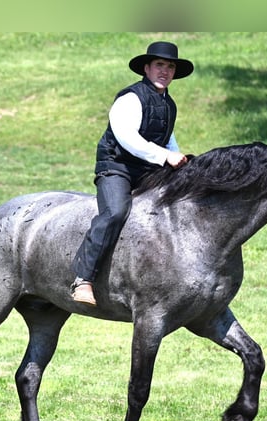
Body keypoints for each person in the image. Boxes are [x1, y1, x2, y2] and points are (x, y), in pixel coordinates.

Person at [71, 41, 194, 306]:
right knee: (115, 212)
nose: (165, 71)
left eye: (170, 66)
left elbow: (166, 137)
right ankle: (83, 279)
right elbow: (128, 139)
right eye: (160, 65)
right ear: (147, 68)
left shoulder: (168, 103)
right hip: (116, 168)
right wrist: (165, 156)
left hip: (147, 169)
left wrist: (180, 160)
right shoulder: (130, 99)